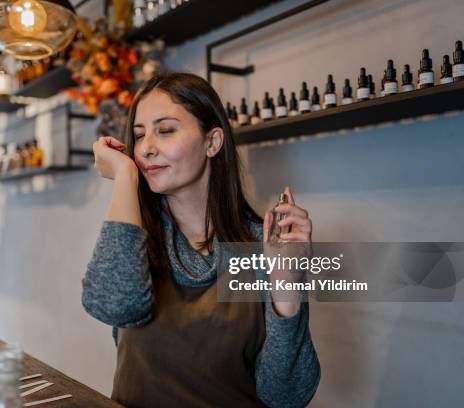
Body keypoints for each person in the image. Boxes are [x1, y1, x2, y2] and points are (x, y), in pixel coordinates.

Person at [82, 72, 320, 407]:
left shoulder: (264, 245)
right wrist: (125, 176)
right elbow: (114, 305)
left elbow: (286, 397)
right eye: (139, 135)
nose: (147, 147)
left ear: (212, 142)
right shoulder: (134, 236)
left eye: (165, 130)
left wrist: (287, 290)